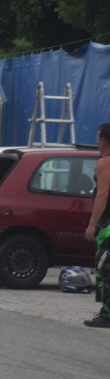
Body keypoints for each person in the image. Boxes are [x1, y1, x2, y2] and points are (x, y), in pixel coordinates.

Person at [84, 122, 110, 327]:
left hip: (108, 225)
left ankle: (107, 313)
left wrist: (92, 224)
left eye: (97, 137)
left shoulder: (105, 163)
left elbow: (102, 195)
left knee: (105, 266)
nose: (96, 141)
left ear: (103, 140)